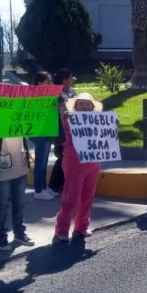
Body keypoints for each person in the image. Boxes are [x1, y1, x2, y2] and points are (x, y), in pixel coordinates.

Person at [53, 92, 103, 244]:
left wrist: (114, 126)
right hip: (74, 162)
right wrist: (65, 122)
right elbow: (60, 139)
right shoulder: (67, 120)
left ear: (92, 106)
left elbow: (105, 139)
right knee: (71, 198)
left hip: (93, 163)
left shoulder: (98, 121)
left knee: (88, 196)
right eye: (81, 103)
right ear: (75, 106)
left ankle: (82, 226)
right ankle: (62, 229)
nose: (84, 106)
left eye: (87, 104)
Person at [0, 119, 34, 250]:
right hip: (1, 170)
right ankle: (1, 237)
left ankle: (20, 233)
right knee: (1, 205)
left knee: (19, 204)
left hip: (20, 166)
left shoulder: (21, 118)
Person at [48, 68, 77, 195]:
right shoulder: (56, 93)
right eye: (70, 78)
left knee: (68, 157)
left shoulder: (72, 91)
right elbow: (58, 111)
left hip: (73, 129)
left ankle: (63, 184)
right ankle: (54, 185)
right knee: (61, 157)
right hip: (61, 129)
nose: (72, 80)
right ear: (64, 80)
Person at [30, 71, 56, 200]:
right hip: (37, 132)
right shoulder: (32, 97)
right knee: (40, 161)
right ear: (39, 83)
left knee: (44, 161)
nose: (51, 84)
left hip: (46, 130)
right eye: (48, 81)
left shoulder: (49, 96)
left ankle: (43, 187)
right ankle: (38, 189)